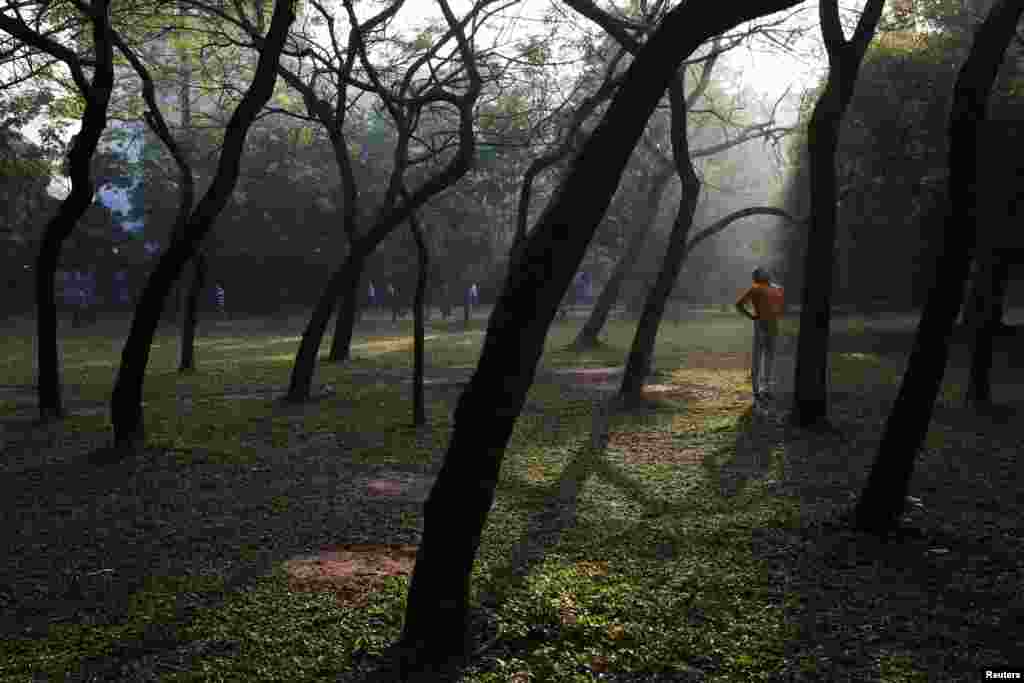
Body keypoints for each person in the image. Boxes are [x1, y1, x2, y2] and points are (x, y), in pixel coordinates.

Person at [735, 267, 785, 403]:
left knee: (770, 357)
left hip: (773, 325)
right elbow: (739, 304)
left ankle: (766, 389)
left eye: (763, 272)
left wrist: (777, 313)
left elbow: (780, 305)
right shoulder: (755, 288)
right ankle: (756, 390)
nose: (763, 273)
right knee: (758, 356)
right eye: (759, 273)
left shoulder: (778, 288)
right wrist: (752, 316)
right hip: (761, 325)